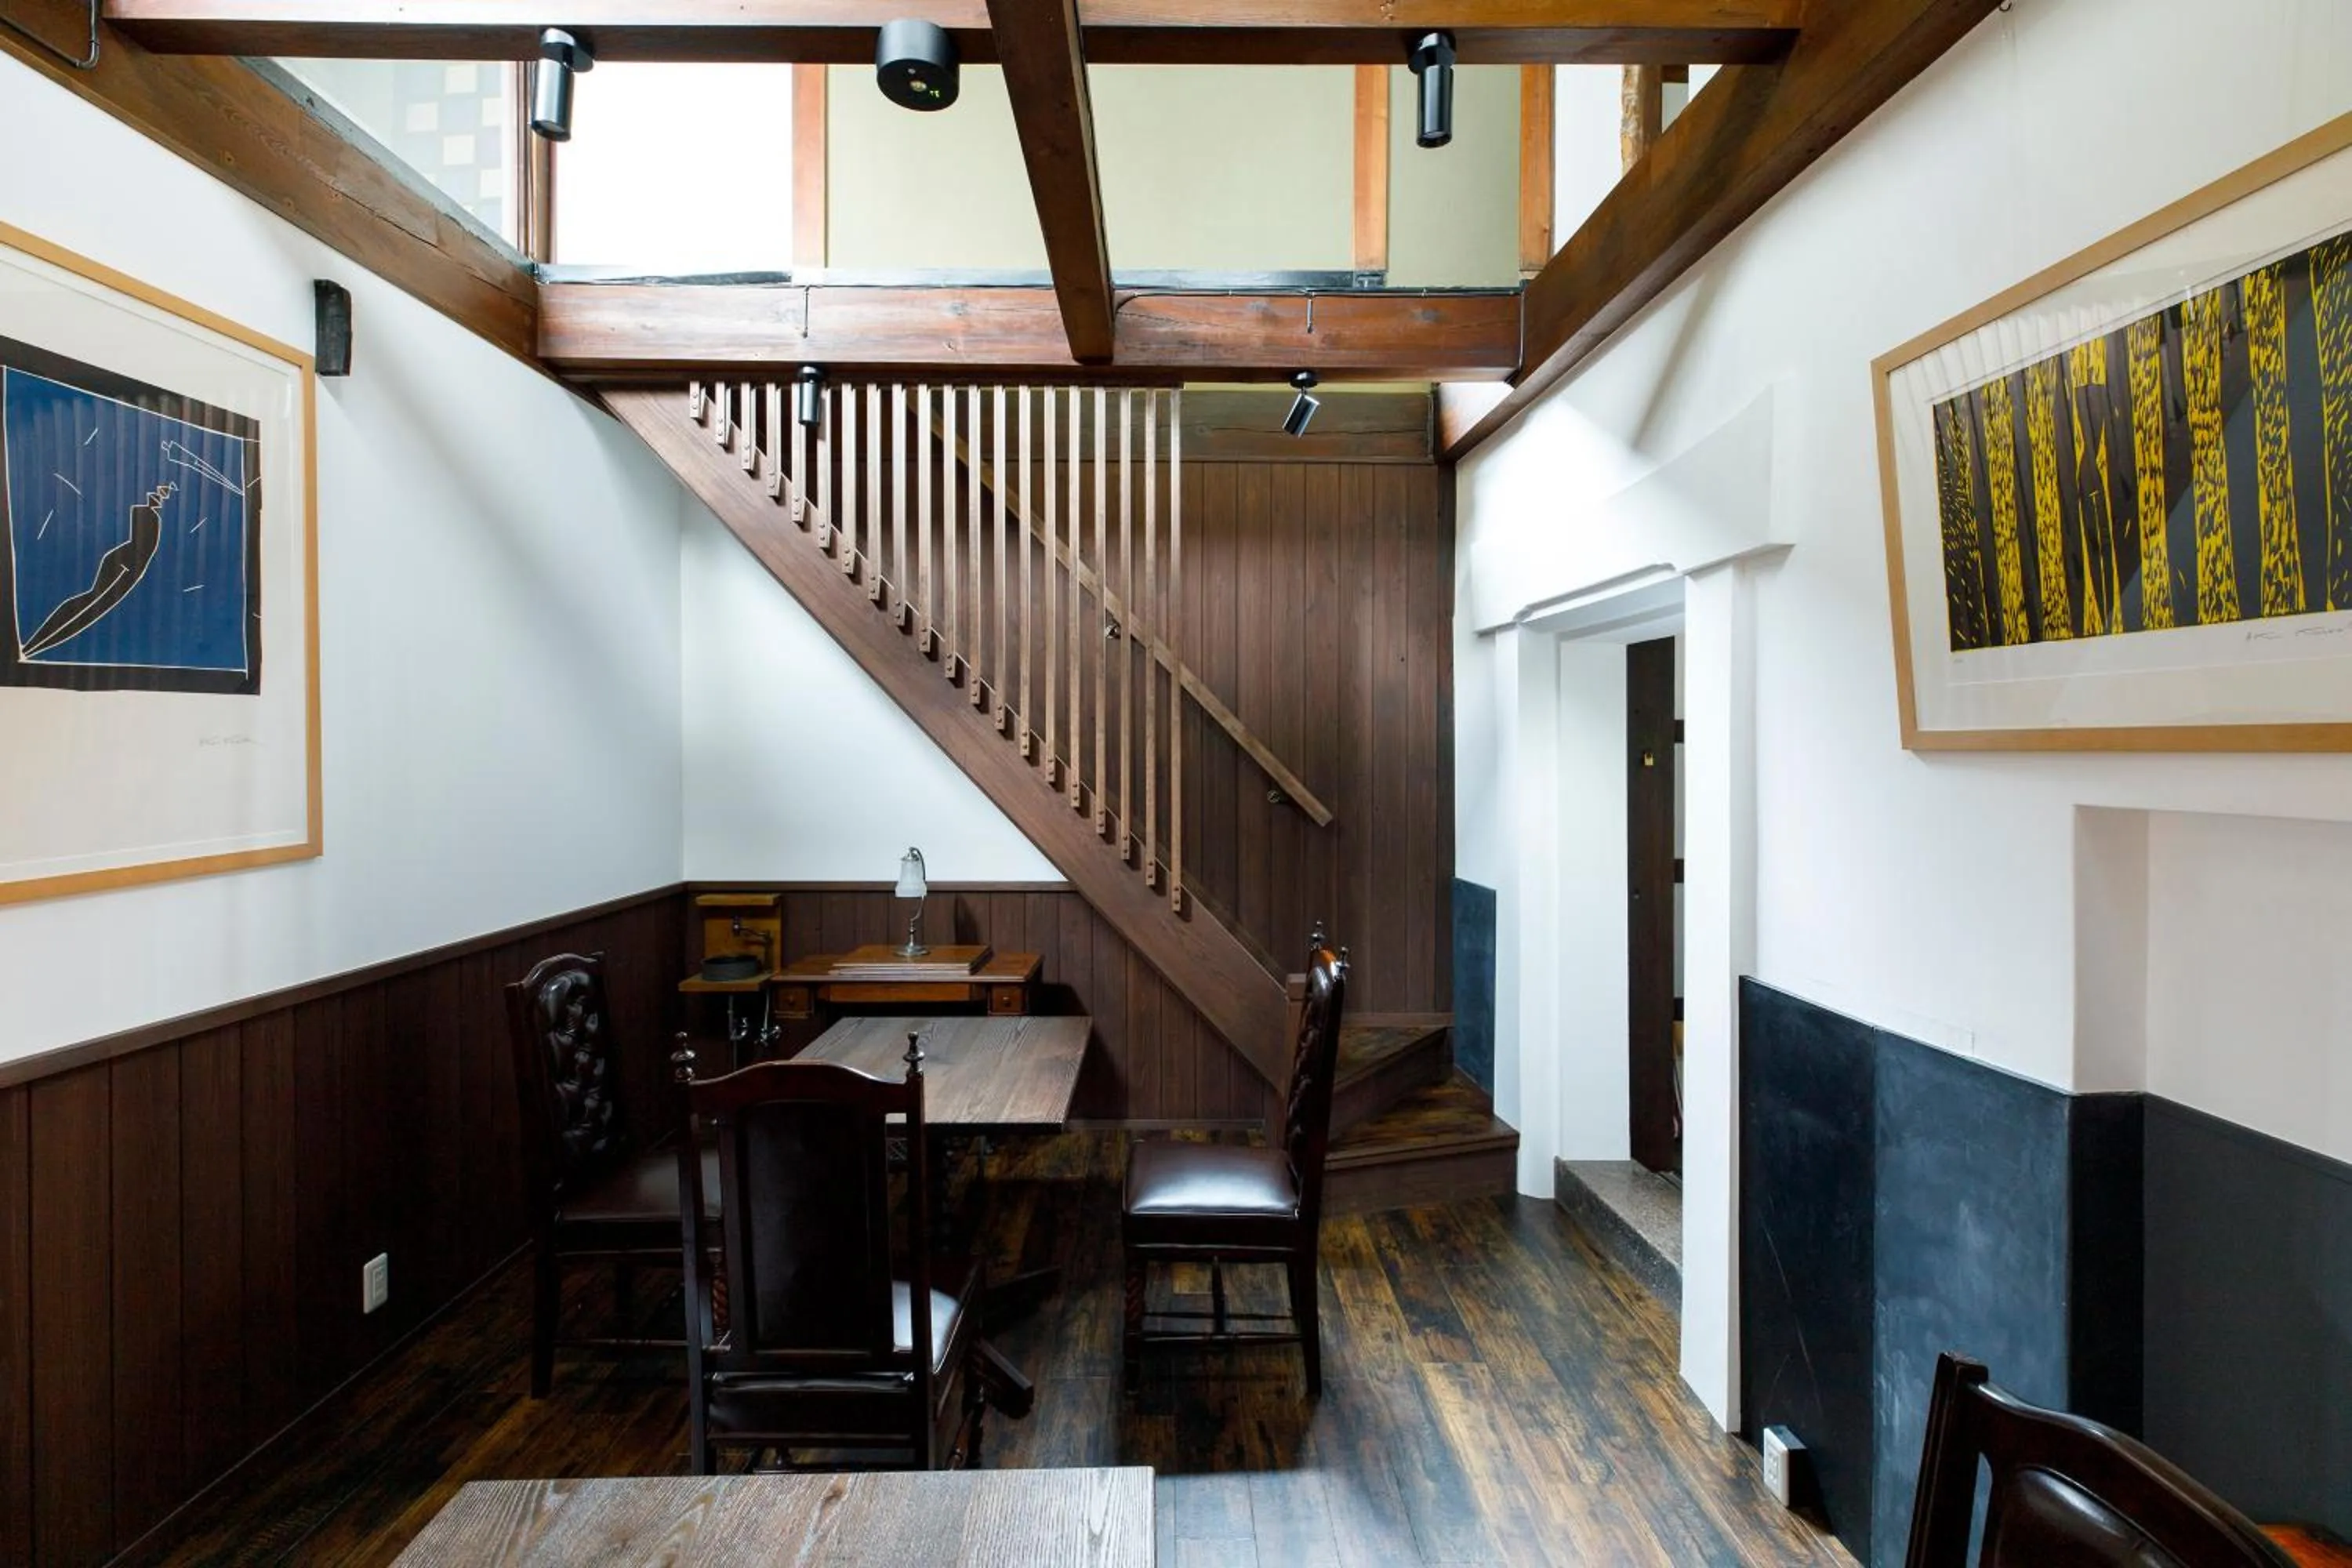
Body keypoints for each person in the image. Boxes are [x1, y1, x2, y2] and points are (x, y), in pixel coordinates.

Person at [20, 481, 173, 660]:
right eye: (161, 495)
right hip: (126, 565)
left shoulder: (151, 515)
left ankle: (35, 645)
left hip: (128, 565)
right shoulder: (146, 514)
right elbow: (139, 545)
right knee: (94, 600)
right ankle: (35, 645)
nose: (163, 498)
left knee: (93, 600)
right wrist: (127, 568)